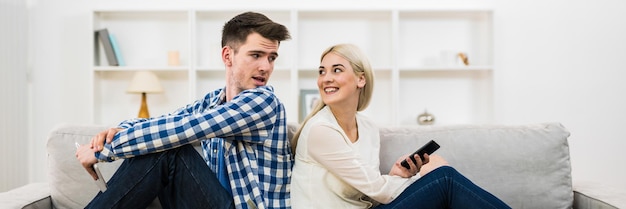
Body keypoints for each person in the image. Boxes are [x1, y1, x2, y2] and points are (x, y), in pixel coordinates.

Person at [75, 11, 292, 209]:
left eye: (271, 58)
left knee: (171, 147)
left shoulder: (264, 102)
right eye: (256, 55)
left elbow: (183, 130)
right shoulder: (214, 103)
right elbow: (167, 121)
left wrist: (101, 152)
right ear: (227, 56)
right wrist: (117, 130)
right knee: (163, 142)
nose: (266, 67)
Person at [290, 43, 511, 209]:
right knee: (443, 177)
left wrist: (398, 175)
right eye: (321, 71)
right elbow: (379, 190)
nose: (325, 78)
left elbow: (370, 192)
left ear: (361, 79)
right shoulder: (320, 130)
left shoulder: (367, 128)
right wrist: (422, 175)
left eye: (336, 70)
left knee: (439, 172)